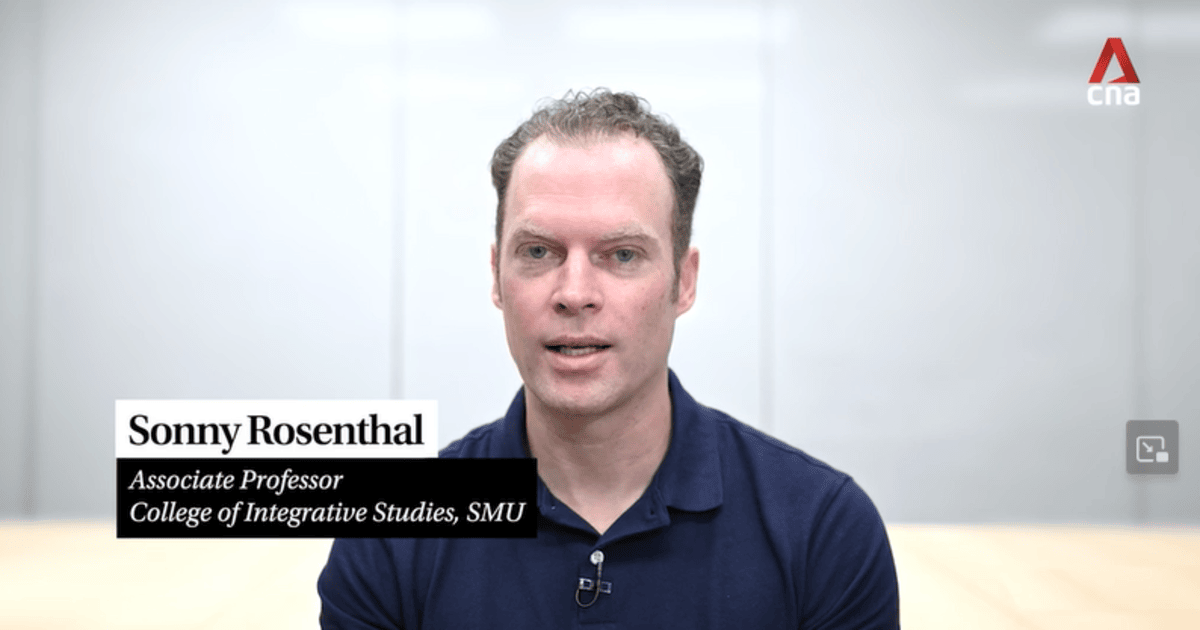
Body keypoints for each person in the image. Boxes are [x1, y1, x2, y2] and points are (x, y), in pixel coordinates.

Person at [318, 89, 900, 628]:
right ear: (496, 275)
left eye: (622, 255)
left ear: (684, 281)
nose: (574, 293)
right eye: (538, 251)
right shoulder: (389, 538)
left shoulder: (824, 531)